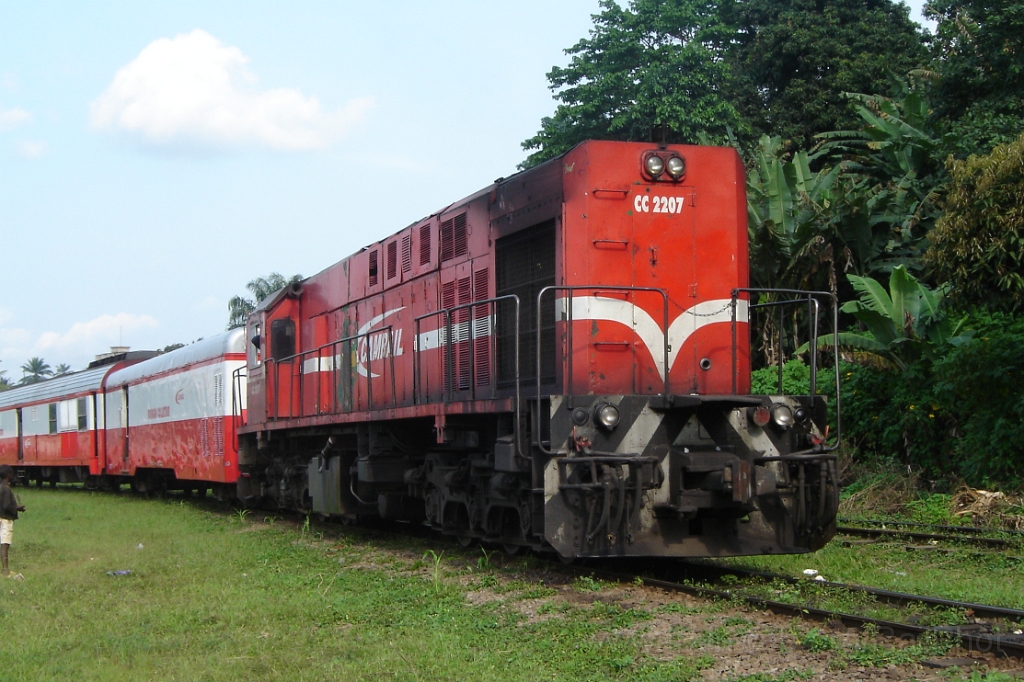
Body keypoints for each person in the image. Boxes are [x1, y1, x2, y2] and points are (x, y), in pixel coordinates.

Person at [0, 464, 26, 577]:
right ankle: (6, 570)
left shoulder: (1, 487)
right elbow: (6, 506)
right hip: (6, 520)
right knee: (5, 545)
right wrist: (17, 508)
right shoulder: (7, 489)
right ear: (9, 475)